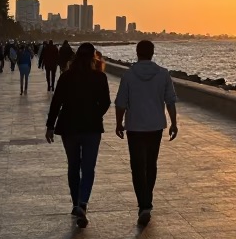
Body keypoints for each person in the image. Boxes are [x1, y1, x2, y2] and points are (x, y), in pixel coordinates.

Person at [45, 42, 111, 228]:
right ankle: (83, 202)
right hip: (91, 128)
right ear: (93, 57)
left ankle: (76, 203)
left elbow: (56, 103)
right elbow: (106, 102)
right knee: (88, 168)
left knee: (73, 166)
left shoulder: (66, 77)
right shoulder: (100, 77)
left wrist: (50, 126)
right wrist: (95, 114)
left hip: (69, 127)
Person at [114, 40, 178, 227]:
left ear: (137, 52)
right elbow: (170, 101)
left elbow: (120, 103)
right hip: (155, 126)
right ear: (152, 53)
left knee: (137, 167)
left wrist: (119, 123)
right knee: (151, 164)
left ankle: (143, 204)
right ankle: (147, 201)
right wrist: (173, 123)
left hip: (134, 127)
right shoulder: (163, 74)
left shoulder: (128, 75)